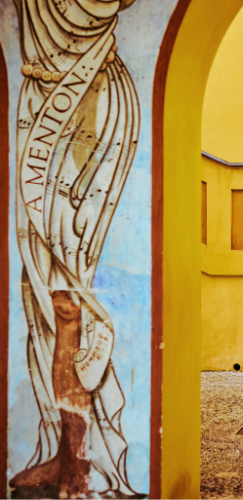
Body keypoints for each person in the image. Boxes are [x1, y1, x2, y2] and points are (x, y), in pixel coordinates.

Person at [10, 0, 142, 497]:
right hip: (39, 103)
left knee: (67, 302)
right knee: (41, 298)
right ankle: (64, 453)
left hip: (89, 108)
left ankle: (81, 465)